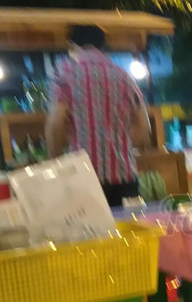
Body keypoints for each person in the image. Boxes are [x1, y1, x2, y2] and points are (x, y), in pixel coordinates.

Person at [46, 25, 152, 207]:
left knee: (90, 227)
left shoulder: (65, 74)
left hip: (83, 179)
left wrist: (56, 163)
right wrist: (119, 145)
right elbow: (144, 129)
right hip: (125, 179)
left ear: (72, 45)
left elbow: (56, 125)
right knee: (127, 226)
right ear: (103, 46)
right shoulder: (124, 76)